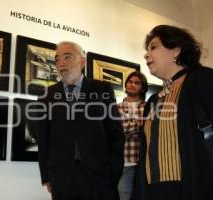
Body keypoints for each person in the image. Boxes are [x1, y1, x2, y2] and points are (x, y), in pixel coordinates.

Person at [37, 41, 125, 200]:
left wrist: (114, 173)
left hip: (100, 179)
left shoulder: (102, 89)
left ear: (82, 62)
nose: (61, 62)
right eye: (57, 59)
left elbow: (116, 134)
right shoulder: (46, 95)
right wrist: (47, 177)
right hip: (62, 180)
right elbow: (43, 139)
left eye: (67, 57)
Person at [134, 25, 213, 200]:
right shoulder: (152, 101)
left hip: (195, 187)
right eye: (147, 50)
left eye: (153, 47)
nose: (147, 54)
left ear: (176, 50)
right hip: (154, 190)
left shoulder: (203, 79)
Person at [117, 71, 148, 200]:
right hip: (125, 162)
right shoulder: (115, 108)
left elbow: (150, 131)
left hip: (145, 161)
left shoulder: (149, 107)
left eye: (137, 83)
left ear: (142, 88)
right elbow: (118, 132)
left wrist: (128, 127)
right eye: (130, 82)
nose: (132, 85)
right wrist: (140, 126)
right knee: (124, 196)